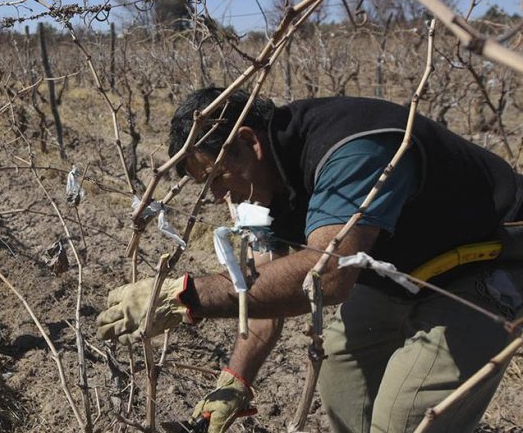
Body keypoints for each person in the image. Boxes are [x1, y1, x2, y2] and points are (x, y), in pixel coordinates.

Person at [96, 87, 523, 433]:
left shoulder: (351, 152)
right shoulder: (267, 183)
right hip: (394, 265)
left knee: (406, 420)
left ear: (248, 142)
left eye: (217, 176)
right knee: (340, 368)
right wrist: (235, 380)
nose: (217, 196)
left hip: (483, 264)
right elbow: (261, 292)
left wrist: (188, 295)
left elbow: (328, 276)